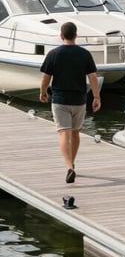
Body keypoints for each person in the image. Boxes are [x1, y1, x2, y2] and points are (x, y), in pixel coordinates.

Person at [39, 21, 101, 183]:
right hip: (79, 100)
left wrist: (43, 92)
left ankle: (69, 167)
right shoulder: (84, 54)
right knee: (75, 133)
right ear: (76, 36)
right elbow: (93, 77)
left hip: (60, 100)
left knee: (64, 133)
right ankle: (72, 163)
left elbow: (46, 78)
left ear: (61, 36)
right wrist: (96, 97)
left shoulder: (54, 54)